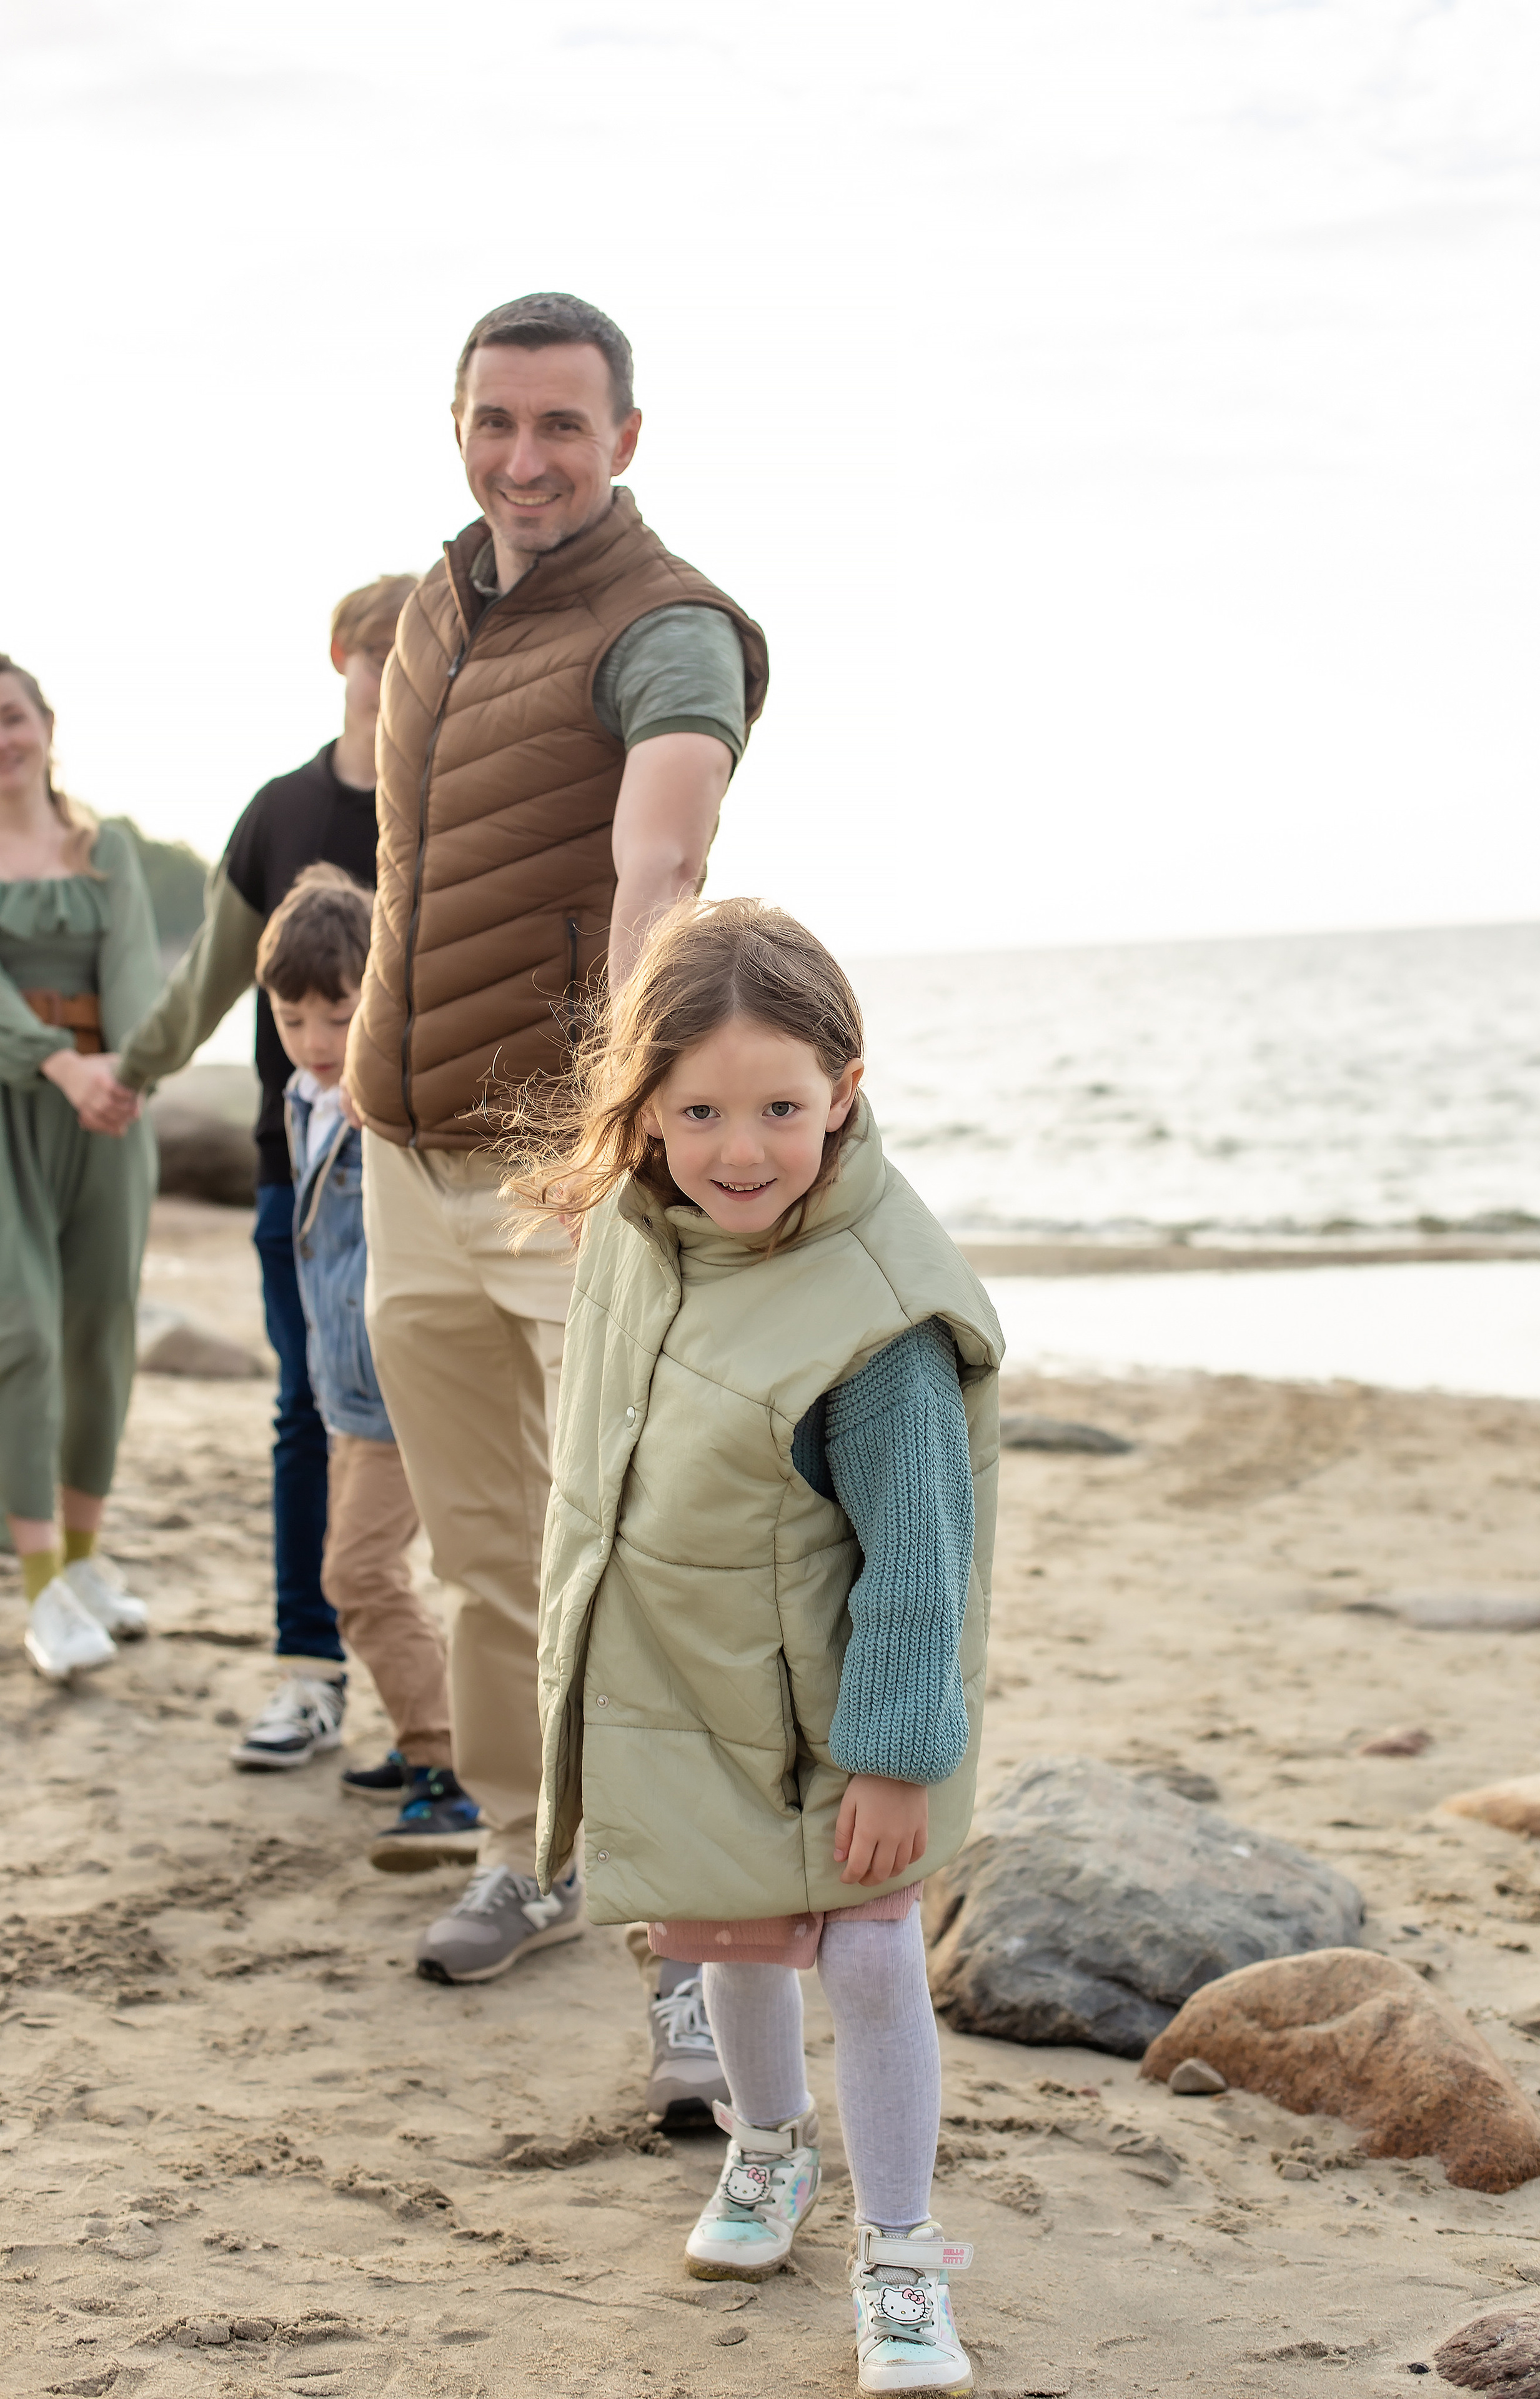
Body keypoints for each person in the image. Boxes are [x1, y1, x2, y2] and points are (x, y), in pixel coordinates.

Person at [341, 288, 769, 2075]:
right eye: (496, 422)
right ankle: (527, 1849)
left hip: (562, 1172)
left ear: (626, 441)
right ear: (457, 423)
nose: (527, 459)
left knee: (633, 1556)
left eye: (563, 428)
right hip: (402, 1150)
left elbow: (658, 860)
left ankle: (691, 1951)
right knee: (491, 1548)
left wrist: (615, 1120)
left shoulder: (670, 630)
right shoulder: (436, 602)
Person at [509, 897, 1003, 2397]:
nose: (742, 1149)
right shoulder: (641, 1240)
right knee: (716, 1930)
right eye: (702, 1109)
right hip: (683, 1684)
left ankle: (903, 2253)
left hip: (838, 1712)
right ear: (645, 1107)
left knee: (865, 1959)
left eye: (781, 1109)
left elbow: (923, 1559)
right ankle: (766, 2151)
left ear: (843, 1094)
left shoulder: (873, 1317)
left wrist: (898, 1758)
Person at [92, 576, 418, 1771]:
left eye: (426, 652)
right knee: (305, 1416)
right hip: (301, 1178)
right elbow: (216, 975)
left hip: (436, 1183)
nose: (401, 676)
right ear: (343, 654)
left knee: (455, 1429)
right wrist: (133, 1072)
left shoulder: (458, 796)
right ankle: (309, 1673)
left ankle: (455, 1716)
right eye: (385, 654)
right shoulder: (281, 812)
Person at [256, 865, 479, 1869]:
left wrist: (378, 1093)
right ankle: (425, 1735)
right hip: (341, 1391)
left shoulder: (381, 1105)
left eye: (338, 1016)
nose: (315, 1041)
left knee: (355, 1573)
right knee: (372, 1573)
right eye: (292, 1018)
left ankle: (448, 1770)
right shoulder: (305, 1097)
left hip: (394, 1385)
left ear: (377, 1002)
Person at [0, 655, 160, 1681]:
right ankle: (40, 1588)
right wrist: (59, 1063)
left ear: (47, 725)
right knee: (22, 1337)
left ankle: (91, 1558)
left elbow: (138, 971)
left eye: (11, 716)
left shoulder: (110, 855)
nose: (2, 737)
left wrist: (125, 1070)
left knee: (100, 1337)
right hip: (13, 1110)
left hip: (109, 1115)